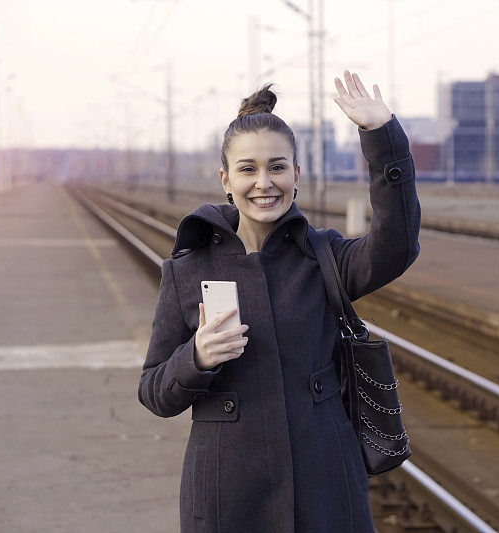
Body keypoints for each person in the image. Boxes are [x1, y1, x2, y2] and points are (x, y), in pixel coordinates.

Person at [138, 69, 421, 533]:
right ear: (226, 180)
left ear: (296, 174)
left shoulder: (325, 257)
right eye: (248, 169)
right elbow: (154, 392)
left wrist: (382, 136)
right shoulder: (187, 271)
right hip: (229, 491)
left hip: (324, 481)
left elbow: (397, 244)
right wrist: (198, 358)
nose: (263, 183)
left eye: (277, 167)